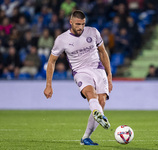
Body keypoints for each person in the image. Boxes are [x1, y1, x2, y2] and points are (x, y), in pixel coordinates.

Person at [43, 10, 113, 146]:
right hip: (80, 72)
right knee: (90, 93)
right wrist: (48, 85)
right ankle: (98, 114)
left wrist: (109, 75)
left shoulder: (93, 32)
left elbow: (103, 52)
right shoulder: (62, 39)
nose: (80, 27)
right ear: (71, 22)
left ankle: (86, 137)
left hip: (98, 69)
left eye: (82, 24)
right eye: (77, 24)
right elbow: (51, 61)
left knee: (101, 101)